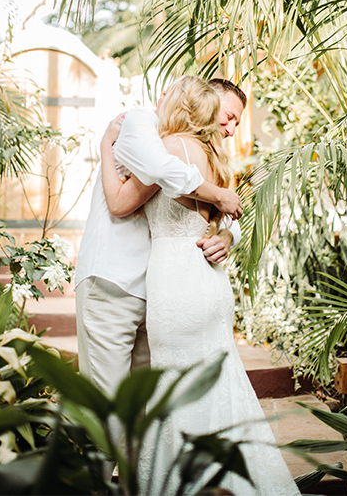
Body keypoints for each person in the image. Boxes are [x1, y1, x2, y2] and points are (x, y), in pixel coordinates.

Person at [100, 76, 298, 495]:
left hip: (175, 286)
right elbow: (222, 210)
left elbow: (120, 204)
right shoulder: (212, 158)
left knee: (177, 388)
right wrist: (225, 233)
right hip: (211, 288)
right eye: (229, 116)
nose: (231, 128)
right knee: (219, 384)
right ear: (209, 105)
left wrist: (104, 147)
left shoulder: (166, 149)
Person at [74, 78, 245, 398]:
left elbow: (228, 211)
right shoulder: (143, 123)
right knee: (108, 401)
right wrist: (219, 196)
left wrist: (227, 235)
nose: (230, 128)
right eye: (229, 115)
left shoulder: (203, 152)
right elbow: (160, 170)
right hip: (113, 282)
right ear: (203, 100)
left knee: (143, 407)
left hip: (162, 292)